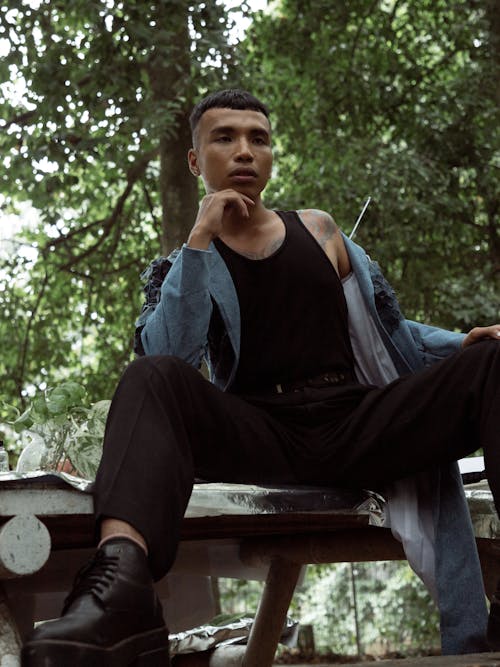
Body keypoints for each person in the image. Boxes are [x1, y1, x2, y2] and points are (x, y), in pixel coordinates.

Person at [22, 89, 500, 666]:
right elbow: (171, 351)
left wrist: (463, 344)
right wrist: (199, 241)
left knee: (495, 358)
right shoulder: (182, 266)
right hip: (260, 433)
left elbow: (390, 327)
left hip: (357, 424)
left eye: (258, 138)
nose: (244, 150)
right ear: (196, 161)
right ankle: (121, 591)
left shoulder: (320, 230)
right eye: (225, 137)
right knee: (152, 376)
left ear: (271, 155)